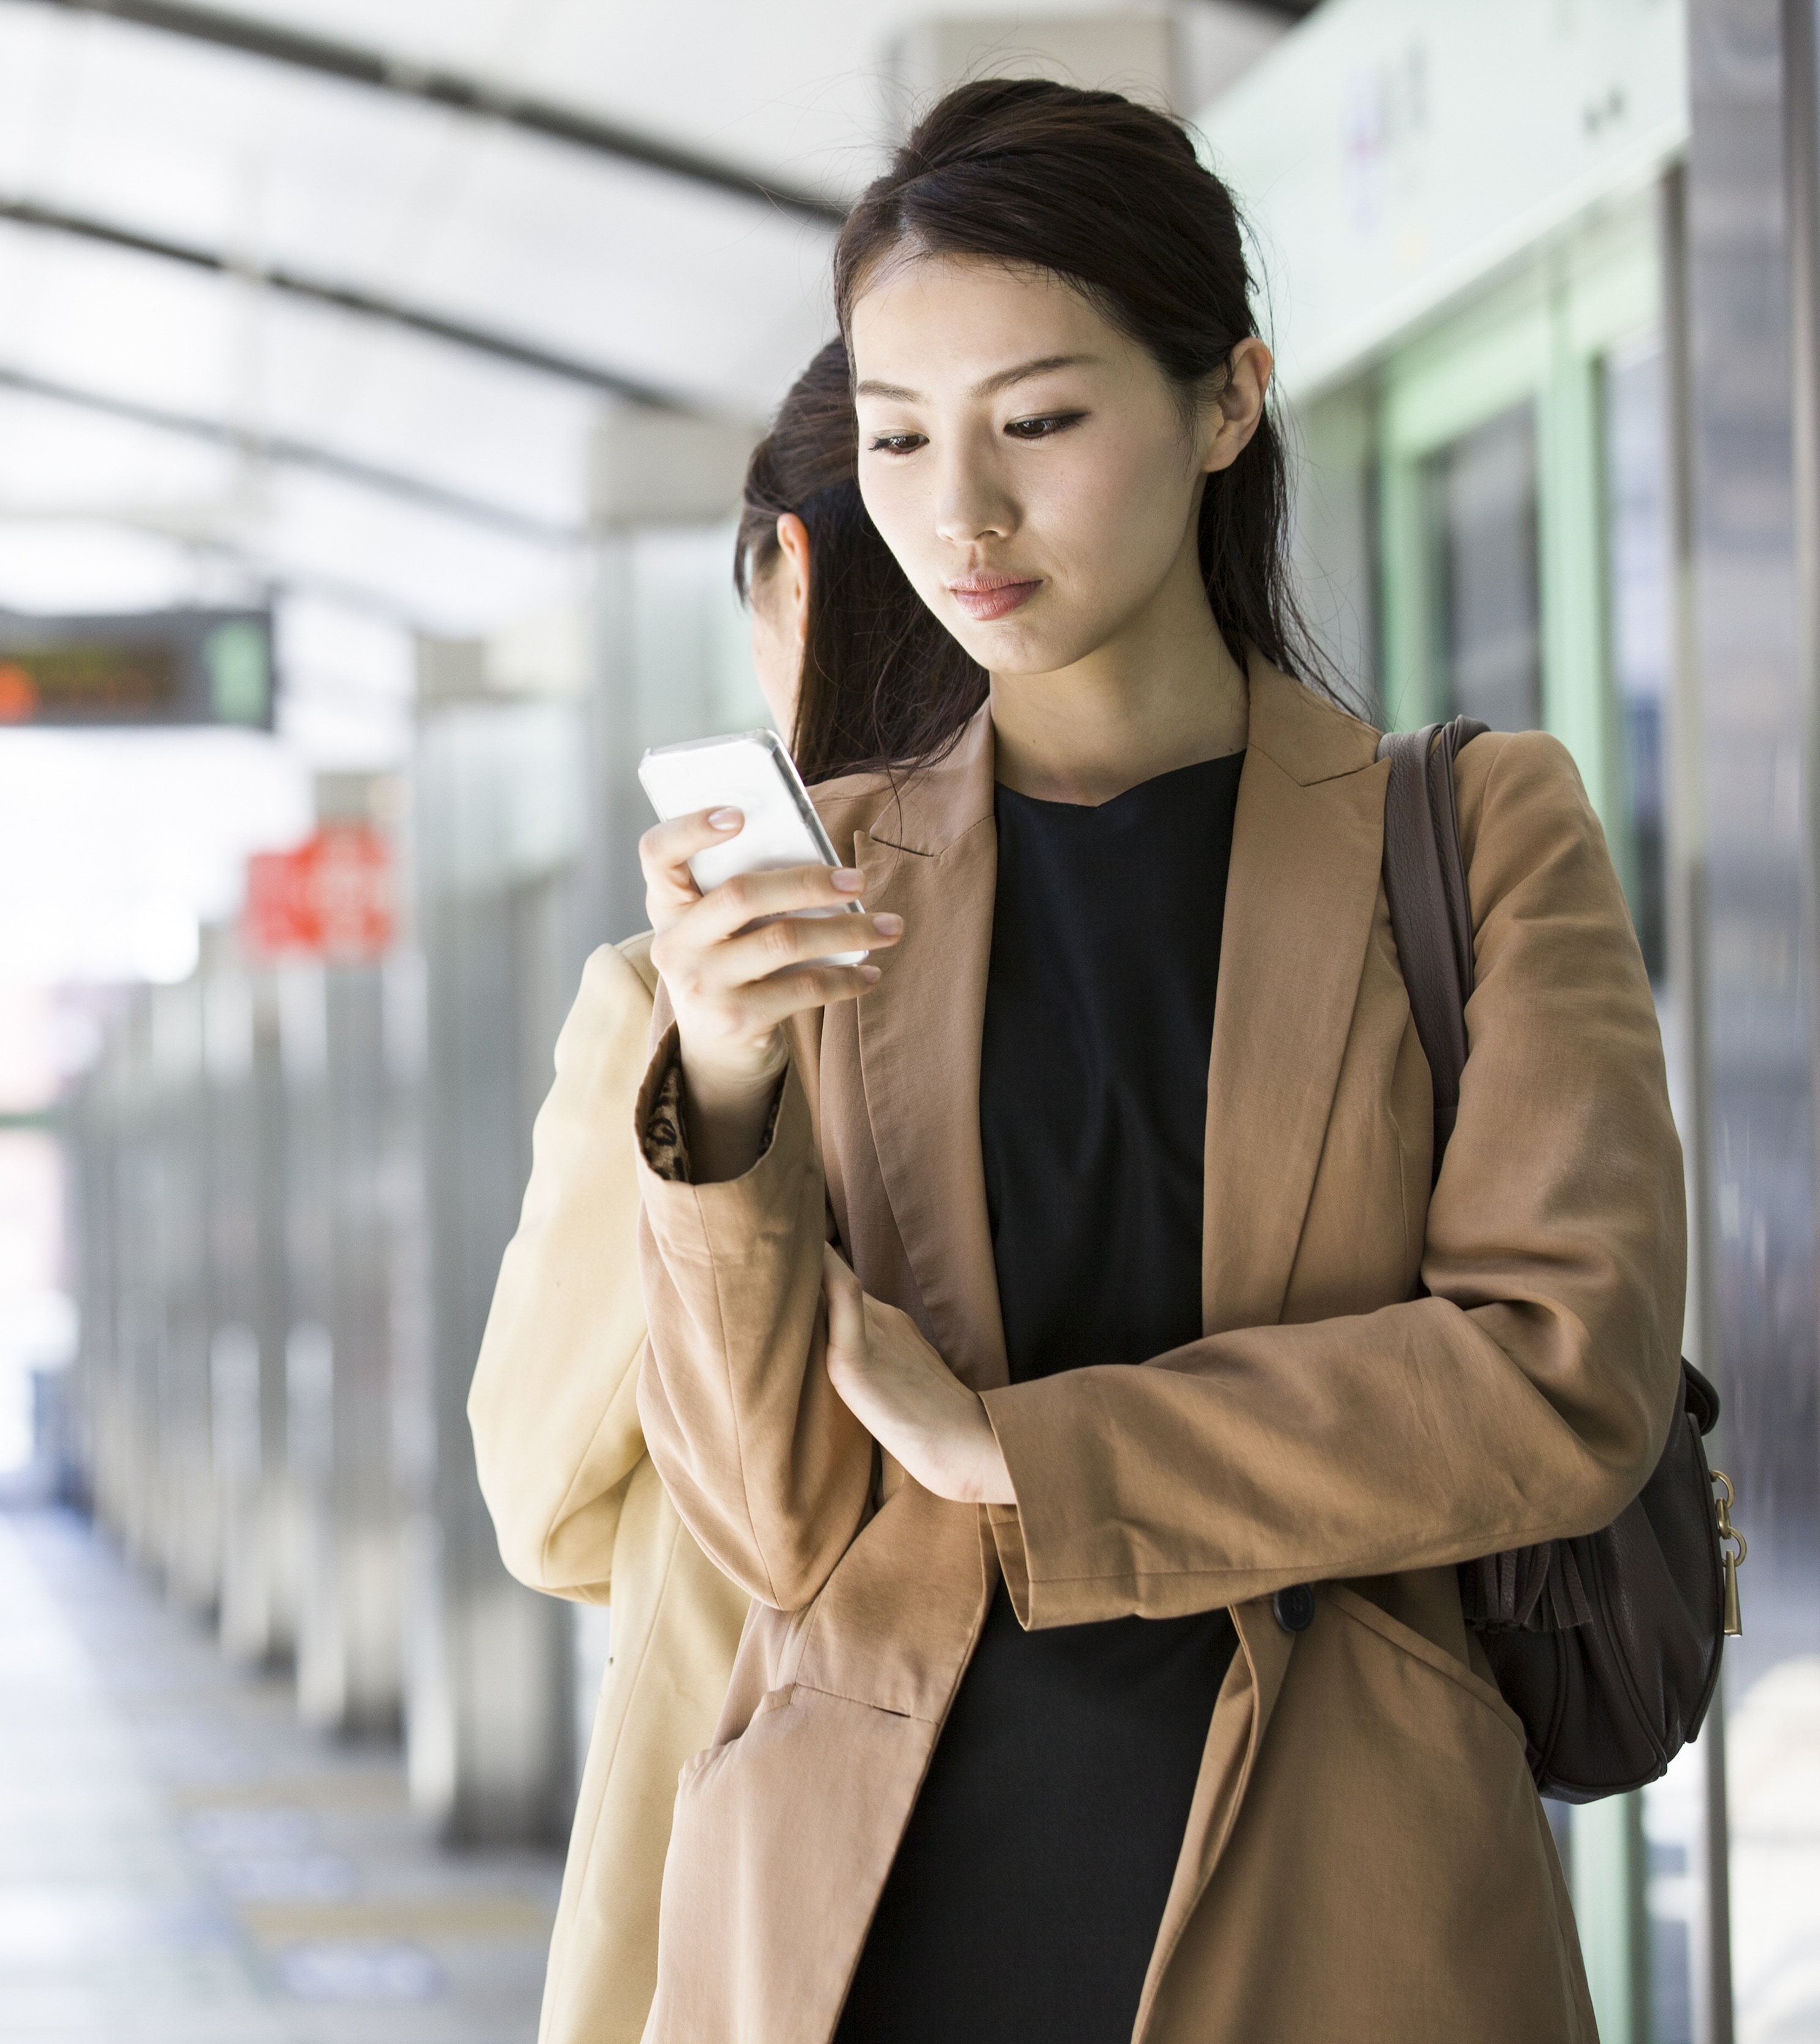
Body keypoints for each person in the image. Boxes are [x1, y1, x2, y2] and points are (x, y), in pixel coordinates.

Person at [628, 79, 1683, 2044]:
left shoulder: (1462, 836)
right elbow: (768, 1523)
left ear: (1224, 403)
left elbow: (1558, 1376)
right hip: (863, 1914)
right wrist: (721, 1086)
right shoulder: (834, 874)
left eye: (1037, 421)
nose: (960, 514)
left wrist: (1010, 1447)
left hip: (1338, 1900)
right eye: (895, 438)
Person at [467, 337, 986, 2042]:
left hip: (766, 1833)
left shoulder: (677, 1006)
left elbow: (540, 1485)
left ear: (800, 568)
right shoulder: (1239, 906)